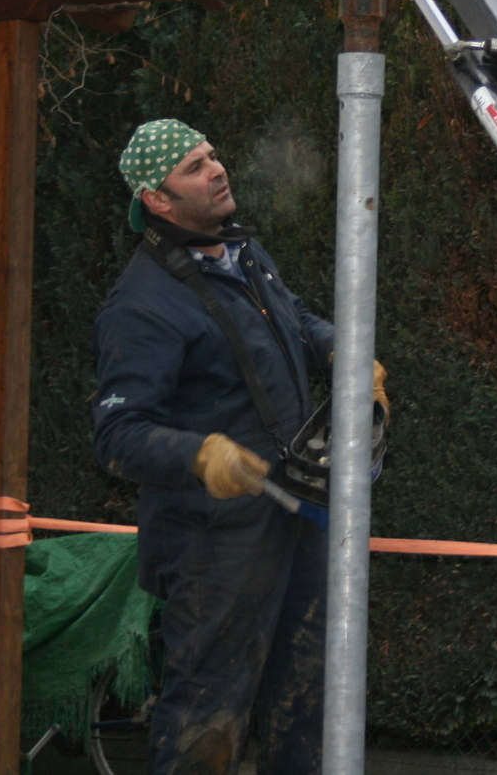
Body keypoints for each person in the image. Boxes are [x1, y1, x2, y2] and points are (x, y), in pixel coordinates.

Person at [92, 118, 386, 775]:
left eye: (212, 153)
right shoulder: (140, 306)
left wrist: (342, 347)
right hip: (212, 544)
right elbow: (116, 431)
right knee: (207, 722)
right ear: (159, 201)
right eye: (194, 166)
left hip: (295, 516)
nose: (217, 168)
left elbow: (293, 316)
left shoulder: (241, 254)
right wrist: (199, 455)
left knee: (307, 705)